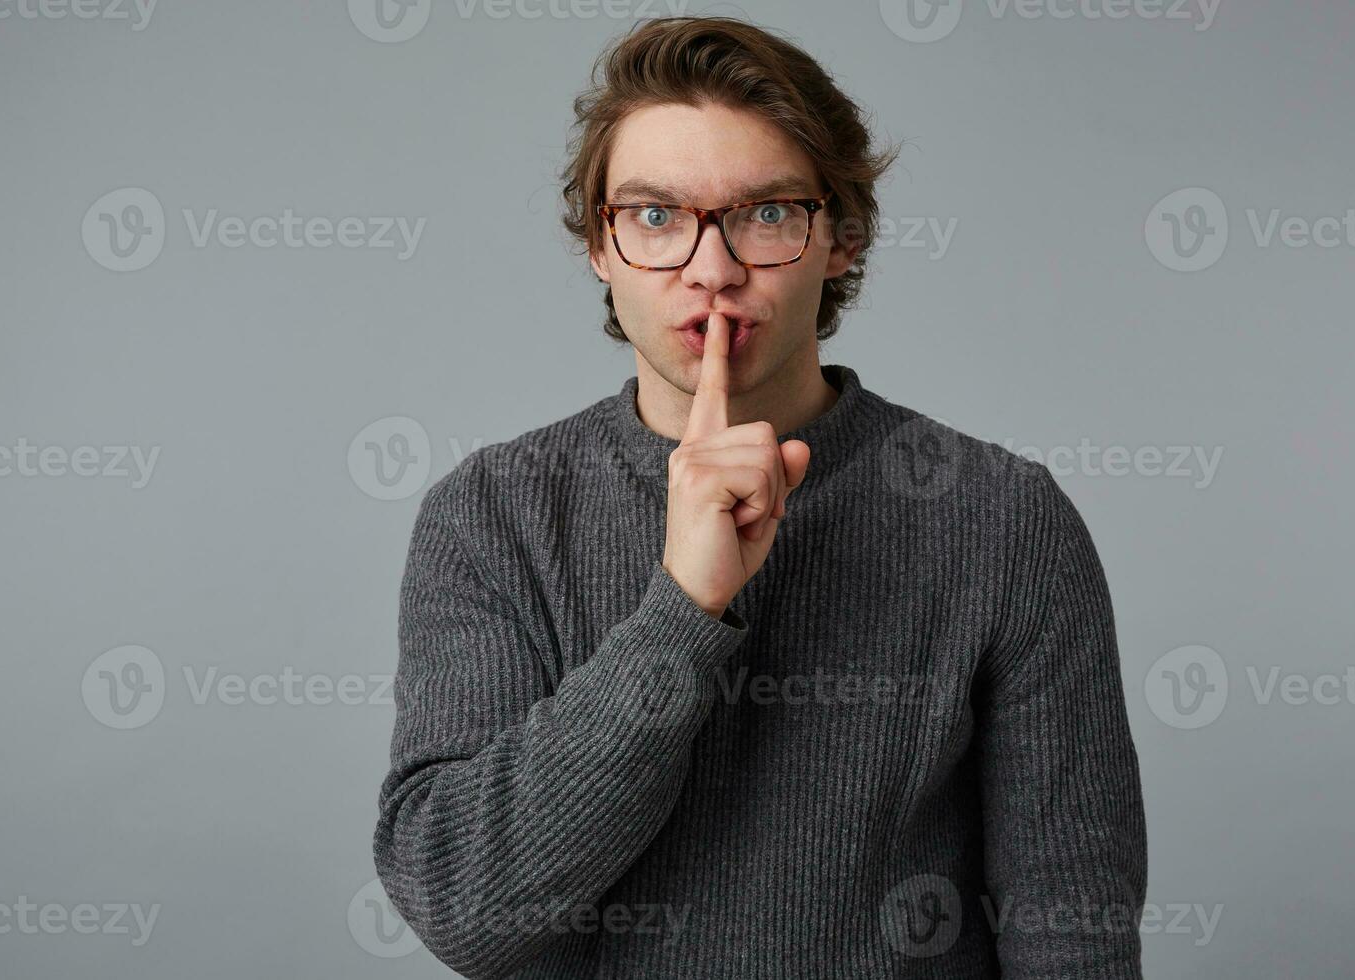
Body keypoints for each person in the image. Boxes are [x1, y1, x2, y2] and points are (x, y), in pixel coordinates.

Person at [373, 15, 1147, 978]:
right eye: (654, 216)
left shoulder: (1004, 518)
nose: (712, 269)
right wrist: (682, 610)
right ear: (598, 248)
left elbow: (1072, 938)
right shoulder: (493, 514)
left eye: (766, 214)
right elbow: (465, 909)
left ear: (842, 239)